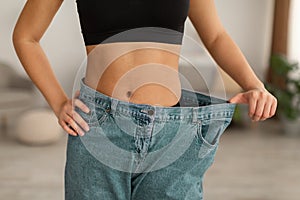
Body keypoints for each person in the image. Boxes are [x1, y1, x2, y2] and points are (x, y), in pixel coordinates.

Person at [13, 0, 277, 199]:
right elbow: (26, 36)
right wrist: (58, 102)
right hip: (99, 128)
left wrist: (254, 84)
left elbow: (216, 35)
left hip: (173, 132)